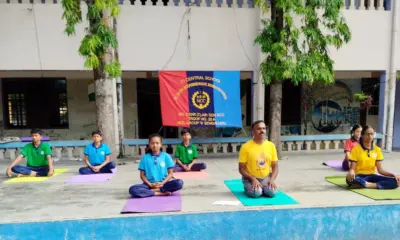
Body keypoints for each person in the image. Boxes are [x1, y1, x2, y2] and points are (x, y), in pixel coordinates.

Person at [129, 134, 184, 198]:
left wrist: (162, 183)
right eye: (152, 143)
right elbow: (142, 175)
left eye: (157, 143)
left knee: (179, 183)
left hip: (164, 183)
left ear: (161, 144)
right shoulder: (145, 158)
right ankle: (157, 193)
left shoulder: (166, 156)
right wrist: (150, 184)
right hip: (149, 185)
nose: (155, 145)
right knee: (132, 189)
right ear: (149, 144)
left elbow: (170, 173)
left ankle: (157, 190)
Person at [238, 120, 279, 198]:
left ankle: (263, 187)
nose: (262, 131)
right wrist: (253, 179)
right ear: (253, 131)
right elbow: (241, 169)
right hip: (250, 178)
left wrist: (272, 179)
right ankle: (253, 187)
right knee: (256, 193)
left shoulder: (271, 146)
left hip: (266, 177)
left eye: (264, 128)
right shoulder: (245, 147)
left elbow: (275, 166)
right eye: (259, 129)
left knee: (272, 193)